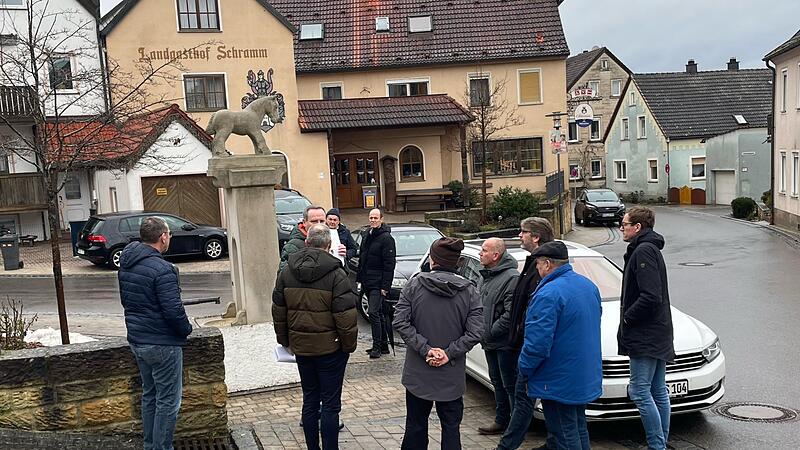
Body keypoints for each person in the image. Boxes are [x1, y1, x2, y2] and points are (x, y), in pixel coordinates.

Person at [273, 223, 358, 450]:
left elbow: (278, 311)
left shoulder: (286, 272)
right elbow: (345, 317)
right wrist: (348, 347)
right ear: (329, 246)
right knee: (330, 404)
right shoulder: (337, 274)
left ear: (307, 242)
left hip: (302, 349)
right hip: (331, 350)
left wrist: (286, 342)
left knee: (310, 400)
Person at [393, 237, 483, 450]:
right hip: (450, 374)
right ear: (457, 262)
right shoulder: (469, 291)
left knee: (415, 426)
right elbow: (476, 332)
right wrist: (448, 353)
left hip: (418, 373)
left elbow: (399, 321)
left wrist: (425, 349)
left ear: (432, 260)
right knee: (451, 428)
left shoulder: (415, 284)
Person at [519, 241, 602, 450]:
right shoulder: (587, 285)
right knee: (578, 427)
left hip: (557, 377)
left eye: (538, 264)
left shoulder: (548, 294)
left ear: (547, 264)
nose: (537, 269)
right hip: (581, 373)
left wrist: (524, 370)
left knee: (564, 434)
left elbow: (537, 343)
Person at [118, 216, 192, 450]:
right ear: (163, 237)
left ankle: (151, 445)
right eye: (168, 234)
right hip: (162, 343)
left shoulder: (126, 264)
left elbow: (128, 302)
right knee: (169, 401)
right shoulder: (163, 269)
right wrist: (186, 329)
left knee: (150, 394)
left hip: (138, 340)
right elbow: (173, 311)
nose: (169, 238)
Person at [618, 207, 675, 450]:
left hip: (645, 334)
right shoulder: (648, 249)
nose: (621, 228)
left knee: (641, 391)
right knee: (657, 390)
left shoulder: (643, 251)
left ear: (637, 227)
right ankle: (659, 443)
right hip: (657, 331)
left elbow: (651, 296)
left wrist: (628, 318)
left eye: (625, 224)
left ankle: (656, 445)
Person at [496, 217, 555, 450]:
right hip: (522, 344)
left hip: (528, 348)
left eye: (523, 232)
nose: (520, 236)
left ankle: (507, 446)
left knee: (523, 399)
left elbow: (535, 313)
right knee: (528, 399)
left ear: (536, 237)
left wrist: (521, 340)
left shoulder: (542, 268)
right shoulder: (533, 263)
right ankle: (554, 442)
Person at [476, 238, 519, 436]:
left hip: (503, 343)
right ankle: (501, 420)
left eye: (484, 251)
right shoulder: (485, 275)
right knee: (496, 382)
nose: (480, 254)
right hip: (489, 342)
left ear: (496, 255)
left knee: (509, 384)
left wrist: (490, 330)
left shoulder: (511, 278)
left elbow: (511, 314)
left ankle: (515, 426)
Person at [356, 207, 396, 359]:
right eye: (371, 218)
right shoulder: (367, 234)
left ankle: (377, 347)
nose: (372, 220)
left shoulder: (387, 239)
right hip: (367, 280)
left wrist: (385, 286)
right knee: (378, 313)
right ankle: (383, 346)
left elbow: (389, 264)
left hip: (378, 283)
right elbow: (363, 259)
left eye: (375, 218)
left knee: (373, 312)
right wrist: (359, 278)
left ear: (381, 219)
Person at [279, 205, 327, 272]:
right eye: (314, 221)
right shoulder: (292, 247)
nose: (319, 225)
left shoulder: (330, 239)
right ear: (304, 222)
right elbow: (284, 276)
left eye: (322, 221)